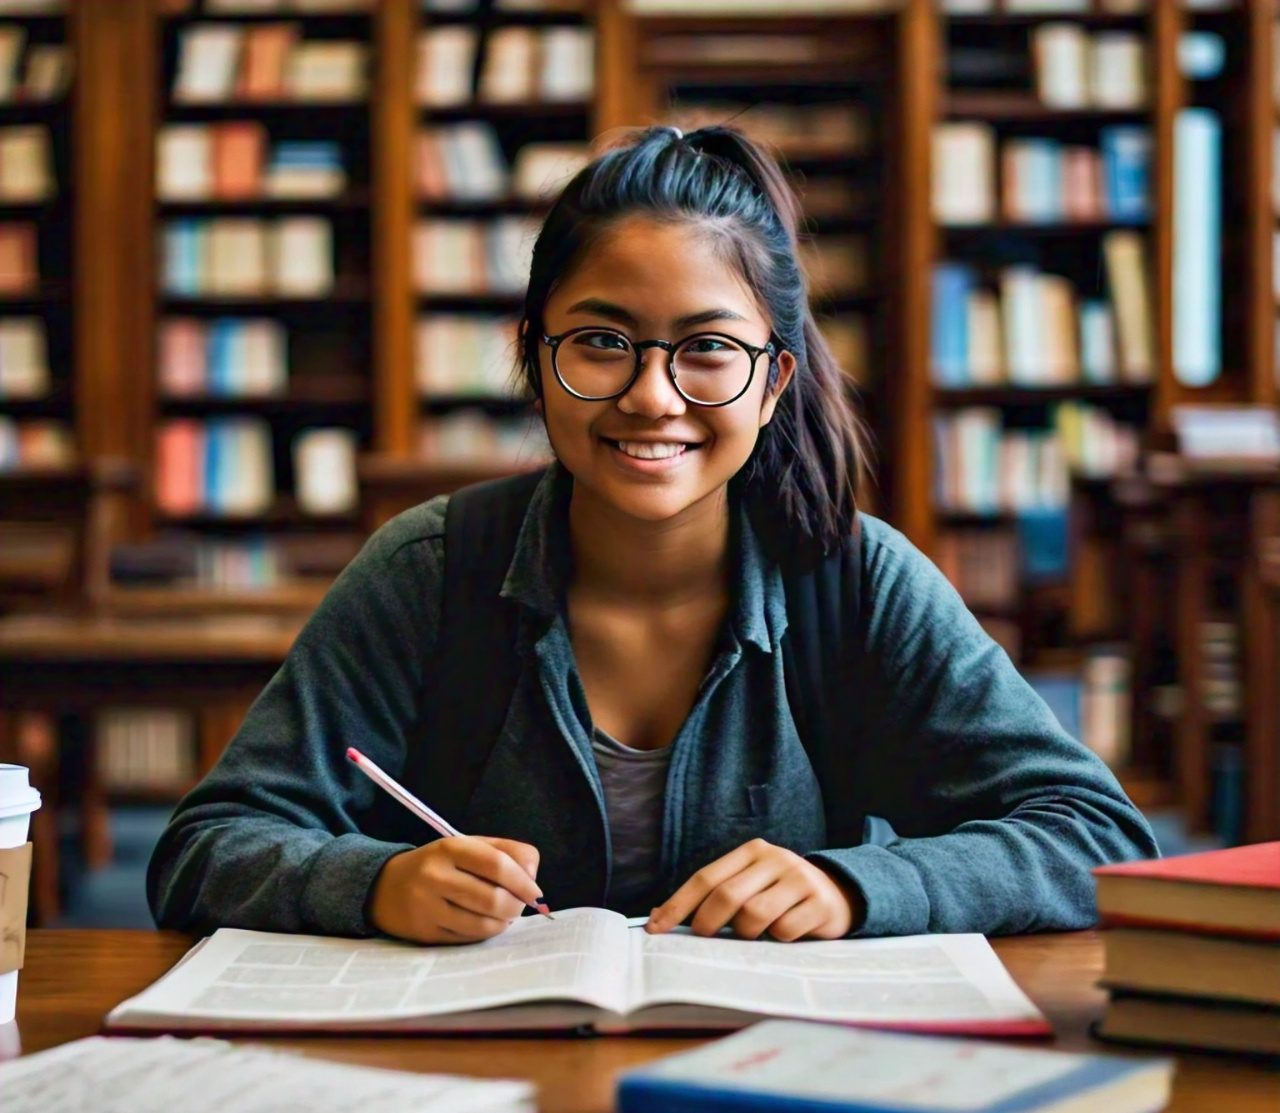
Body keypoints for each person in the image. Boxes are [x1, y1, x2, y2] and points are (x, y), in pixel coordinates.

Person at [148, 125, 1157, 946]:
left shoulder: (853, 581)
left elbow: (1097, 839)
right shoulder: (430, 570)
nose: (649, 396)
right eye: (600, 342)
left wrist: (855, 888)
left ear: (771, 383)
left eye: (707, 350)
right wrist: (371, 883)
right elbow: (205, 846)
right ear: (533, 359)